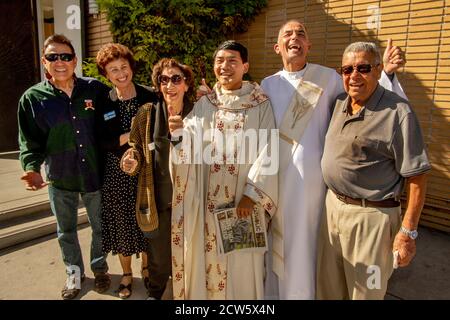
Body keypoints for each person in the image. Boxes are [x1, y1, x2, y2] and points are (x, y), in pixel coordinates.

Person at [261, 20, 407, 299]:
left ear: (308, 45)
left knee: (313, 248)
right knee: (282, 246)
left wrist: (385, 73)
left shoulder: (328, 77)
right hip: (277, 182)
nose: (296, 38)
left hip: (317, 187)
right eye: (288, 34)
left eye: (301, 34)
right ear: (277, 47)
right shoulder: (268, 84)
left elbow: (364, 97)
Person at [317, 42, 430, 299]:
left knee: (366, 292)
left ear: (377, 70)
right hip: (332, 211)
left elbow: (417, 176)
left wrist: (407, 232)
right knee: (328, 290)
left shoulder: (399, 112)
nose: (354, 76)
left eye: (363, 68)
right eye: (347, 70)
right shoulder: (338, 104)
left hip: (372, 221)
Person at [168, 40, 278, 299]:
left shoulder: (260, 104)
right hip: (208, 205)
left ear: (245, 66)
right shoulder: (206, 103)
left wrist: (253, 195)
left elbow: (269, 151)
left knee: (241, 265)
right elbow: (190, 143)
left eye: (232, 61)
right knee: (207, 264)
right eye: (219, 61)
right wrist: (178, 135)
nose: (224, 66)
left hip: (242, 205)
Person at [18, 34, 110, 300]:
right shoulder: (32, 98)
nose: (60, 62)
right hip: (60, 178)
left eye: (66, 56)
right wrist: (32, 167)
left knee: (100, 227)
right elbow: (29, 141)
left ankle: (100, 267)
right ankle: (74, 272)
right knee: (66, 230)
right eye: (53, 57)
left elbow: (123, 104)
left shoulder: (95, 89)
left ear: (75, 60)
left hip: (95, 174)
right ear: (44, 62)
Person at [121, 57, 195, 299]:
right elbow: (135, 148)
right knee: (159, 255)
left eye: (176, 79)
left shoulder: (199, 113)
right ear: (158, 85)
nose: (170, 85)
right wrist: (131, 160)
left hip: (191, 200)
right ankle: (156, 291)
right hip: (157, 199)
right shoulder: (147, 114)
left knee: (190, 253)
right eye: (164, 80)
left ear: (186, 84)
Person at [95, 43, 158, 299]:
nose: (121, 74)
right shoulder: (104, 102)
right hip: (115, 175)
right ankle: (126, 273)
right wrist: (130, 132)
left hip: (145, 171)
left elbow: (157, 133)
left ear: (131, 67)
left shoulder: (150, 96)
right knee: (121, 225)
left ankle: (146, 267)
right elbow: (102, 141)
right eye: (113, 70)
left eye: (124, 67)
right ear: (106, 75)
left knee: (146, 220)